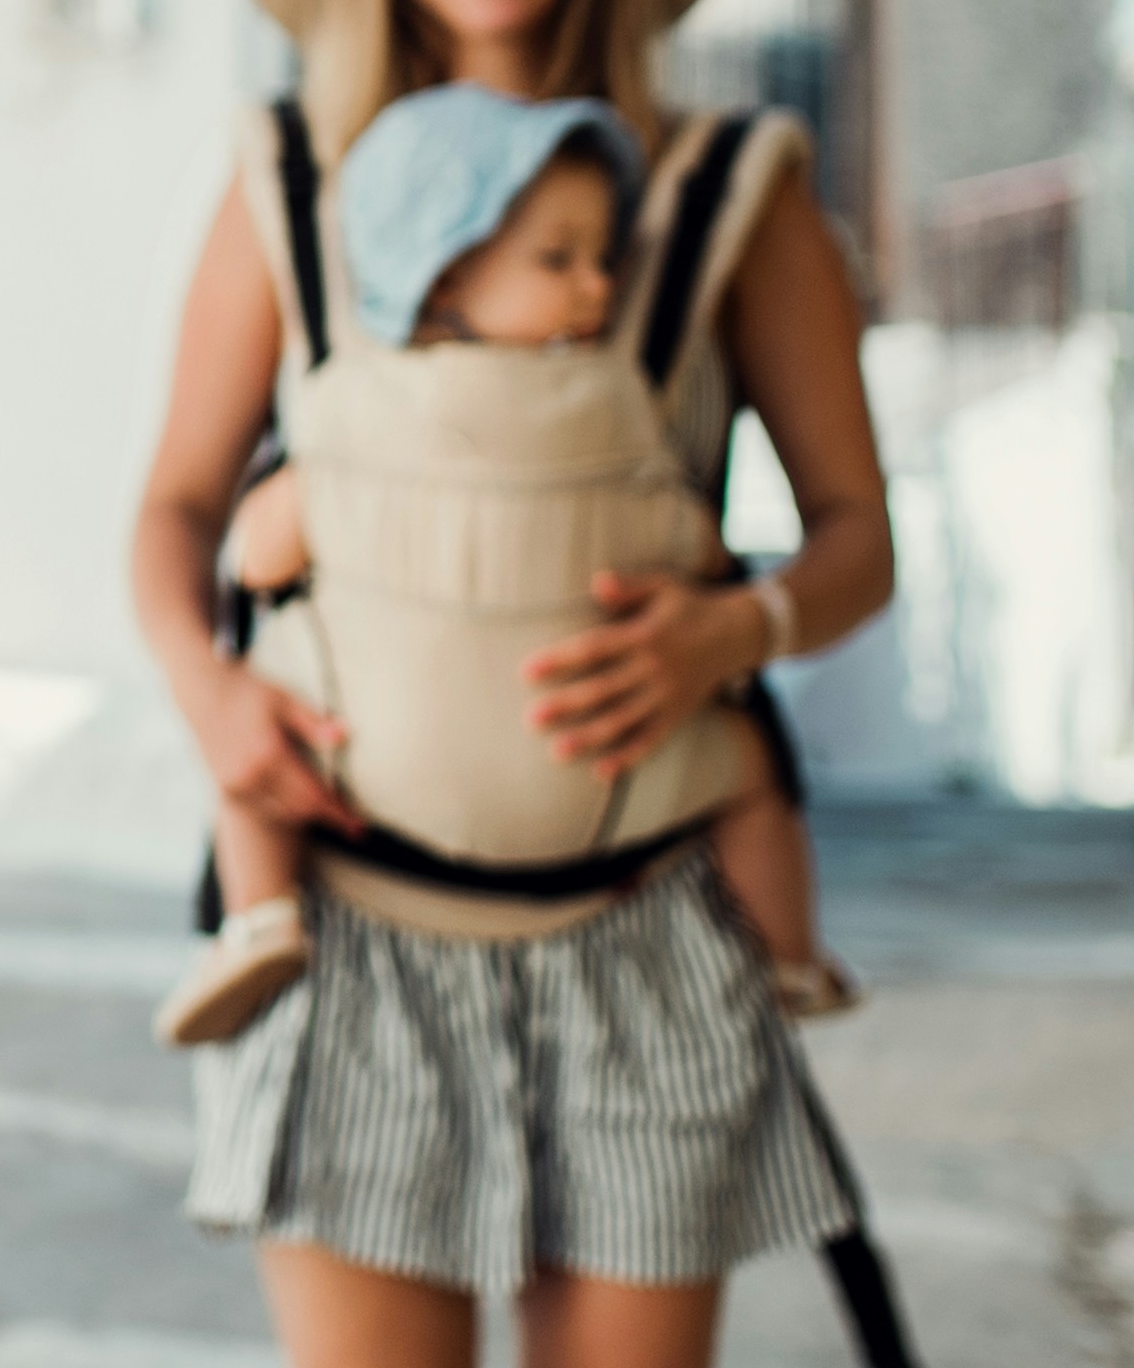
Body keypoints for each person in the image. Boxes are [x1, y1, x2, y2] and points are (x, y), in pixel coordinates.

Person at [129, 0, 897, 1368]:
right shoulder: (290, 185)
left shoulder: (729, 193)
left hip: (644, 944)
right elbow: (174, 513)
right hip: (353, 949)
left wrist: (732, 634)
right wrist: (215, 701)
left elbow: (860, 540)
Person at [154, 83, 846, 1052]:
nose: (597, 288)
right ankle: (789, 953)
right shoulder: (614, 403)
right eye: (558, 259)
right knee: (750, 768)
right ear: (440, 274)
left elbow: (260, 548)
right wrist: (723, 589)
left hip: (420, 795)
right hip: (564, 804)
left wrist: (253, 600)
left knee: (258, 751)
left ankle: (259, 915)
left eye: (602, 259)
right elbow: (682, 534)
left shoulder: (351, 400)